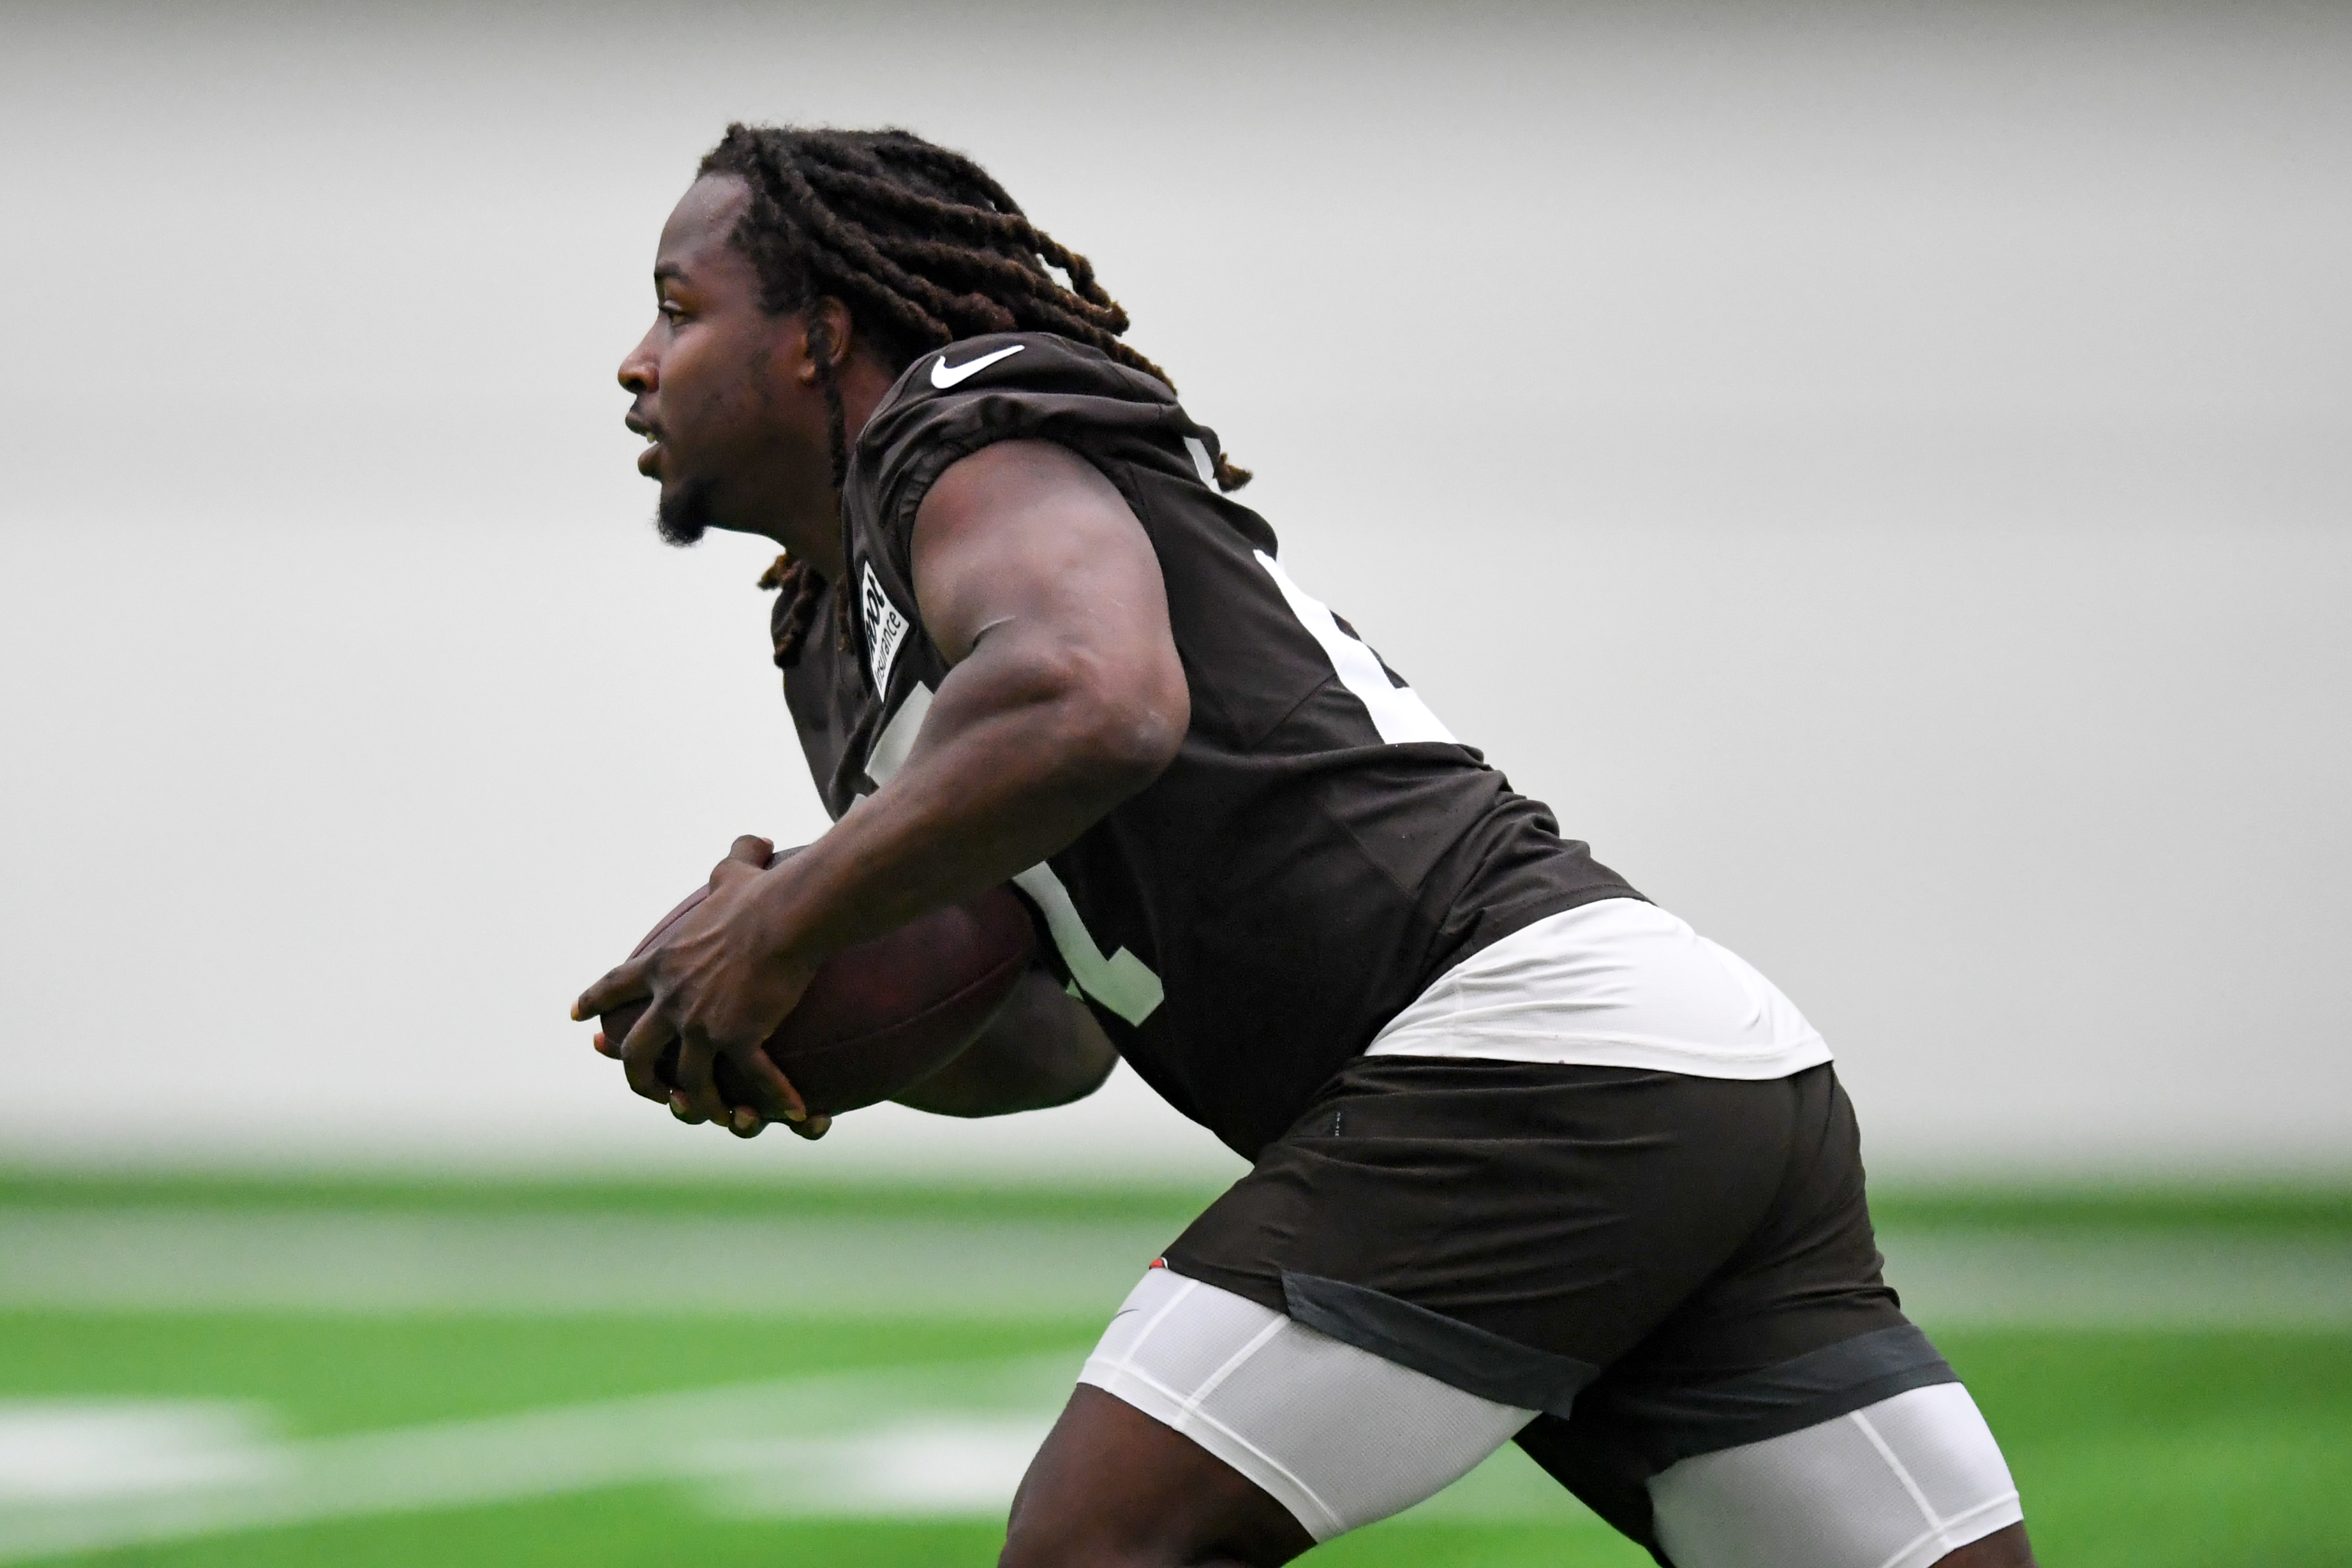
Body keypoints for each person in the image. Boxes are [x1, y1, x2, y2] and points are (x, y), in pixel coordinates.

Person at [574, 123, 2036, 1568]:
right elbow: (1056, 1030)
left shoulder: (963, 425)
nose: (636, 362)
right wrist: (791, 1022)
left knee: (1098, 1544)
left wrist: (774, 924)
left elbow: (1099, 700)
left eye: (680, 309)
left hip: (1523, 1047)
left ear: (822, 335)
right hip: (1682, 1072)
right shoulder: (833, 650)